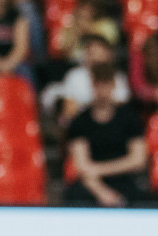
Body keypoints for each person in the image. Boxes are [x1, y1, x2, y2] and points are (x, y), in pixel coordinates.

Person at [62, 70, 148, 206]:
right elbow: (81, 164)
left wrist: (98, 169)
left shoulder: (129, 118)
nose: (102, 91)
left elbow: (138, 159)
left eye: (106, 85)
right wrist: (101, 192)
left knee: (142, 197)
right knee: (76, 196)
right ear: (92, 86)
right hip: (91, 182)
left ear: (113, 86)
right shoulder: (80, 121)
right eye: (98, 85)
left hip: (123, 178)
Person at [42, 34, 129, 123]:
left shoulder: (117, 77)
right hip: (80, 124)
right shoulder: (75, 75)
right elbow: (65, 103)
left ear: (108, 55)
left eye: (98, 53)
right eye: (91, 53)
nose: (95, 57)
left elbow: (121, 100)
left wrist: (88, 105)